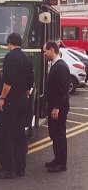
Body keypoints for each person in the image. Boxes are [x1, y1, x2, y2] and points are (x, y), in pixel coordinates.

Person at [0, 32, 34, 179]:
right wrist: (25, 95)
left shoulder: (10, 57)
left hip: (11, 100)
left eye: (7, 44)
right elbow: (30, 82)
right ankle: (20, 168)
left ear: (10, 43)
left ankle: (7, 169)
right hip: (24, 98)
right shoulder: (26, 57)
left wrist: (2, 98)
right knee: (20, 134)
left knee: (5, 134)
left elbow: (8, 81)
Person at [43, 40, 70, 172]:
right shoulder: (55, 65)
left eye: (45, 51)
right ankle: (57, 159)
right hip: (55, 107)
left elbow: (63, 91)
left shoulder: (60, 67)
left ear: (52, 50)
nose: (44, 54)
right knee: (54, 134)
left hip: (58, 108)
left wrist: (56, 107)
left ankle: (61, 164)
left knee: (59, 135)